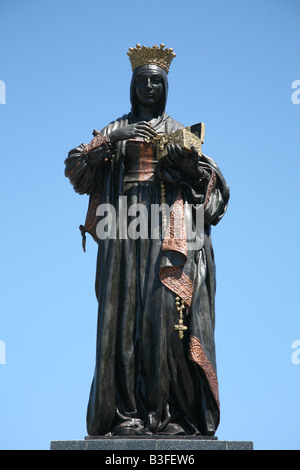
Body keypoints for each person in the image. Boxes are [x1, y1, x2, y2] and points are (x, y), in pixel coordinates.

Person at [64, 44, 229, 436]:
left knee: (165, 320)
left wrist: (192, 171)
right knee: (122, 322)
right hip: (123, 234)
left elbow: (215, 193)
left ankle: (171, 416)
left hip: (168, 234)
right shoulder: (115, 128)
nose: (150, 87)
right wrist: (111, 139)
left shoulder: (179, 132)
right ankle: (125, 416)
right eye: (143, 81)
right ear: (133, 86)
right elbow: (75, 169)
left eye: (157, 81)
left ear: (166, 86)